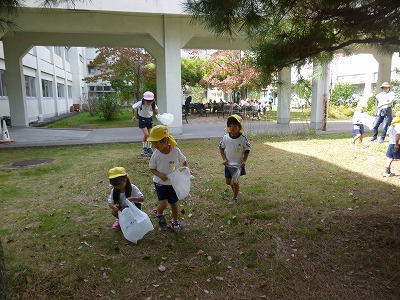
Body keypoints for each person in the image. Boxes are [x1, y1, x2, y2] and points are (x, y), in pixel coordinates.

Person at [147, 125, 189, 232]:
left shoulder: (175, 151)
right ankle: (159, 213)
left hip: (173, 183)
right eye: (153, 142)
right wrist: (161, 175)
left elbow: (184, 160)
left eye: (157, 142)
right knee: (164, 204)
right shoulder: (156, 154)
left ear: (165, 140)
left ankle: (175, 220)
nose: (154, 145)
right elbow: (152, 168)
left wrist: (186, 168)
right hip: (160, 183)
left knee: (174, 203)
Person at [219, 114, 251, 205]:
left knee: (235, 181)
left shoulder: (243, 139)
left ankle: (235, 198)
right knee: (228, 182)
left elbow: (247, 149)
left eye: (234, 126)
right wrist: (224, 159)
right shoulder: (225, 137)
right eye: (230, 126)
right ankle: (236, 191)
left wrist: (244, 161)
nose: (232, 128)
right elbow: (221, 148)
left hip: (238, 165)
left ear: (239, 127)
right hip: (228, 164)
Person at [383, 112, 400, 177]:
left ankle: (387, 172)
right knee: (391, 158)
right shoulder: (398, 125)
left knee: (390, 158)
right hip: (397, 144)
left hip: (391, 144)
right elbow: (398, 135)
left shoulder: (392, 125)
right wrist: (396, 144)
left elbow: (387, 134)